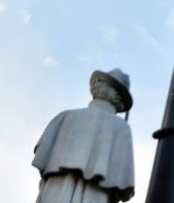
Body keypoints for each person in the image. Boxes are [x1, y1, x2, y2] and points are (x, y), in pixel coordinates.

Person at [32, 69, 135, 203]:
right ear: (118, 97)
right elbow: (123, 186)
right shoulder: (121, 128)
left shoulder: (63, 117)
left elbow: (42, 158)